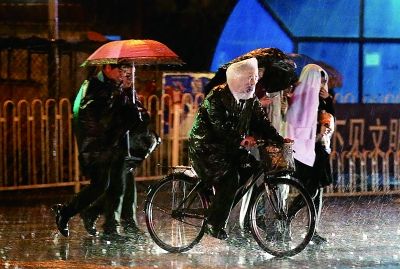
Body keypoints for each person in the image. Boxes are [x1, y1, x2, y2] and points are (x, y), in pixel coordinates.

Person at [188, 58, 289, 240]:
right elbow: (220, 126)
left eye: (255, 78)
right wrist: (242, 139)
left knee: (252, 168)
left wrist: (279, 140)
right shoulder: (216, 97)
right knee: (230, 178)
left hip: (230, 148)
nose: (253, 83)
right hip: (206, 148)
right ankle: (214, 222)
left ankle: (221, 208)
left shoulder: (250, 99)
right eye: (249, 78)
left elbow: (262, 123)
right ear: (237, 79)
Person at [52, 63, 141, 237]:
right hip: (98, 147)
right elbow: (99, 119)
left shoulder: (112, 87)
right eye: (119, 70)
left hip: (109, 147)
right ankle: (66, 212)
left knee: (114, 185)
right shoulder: (95, 88)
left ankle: (104, 223)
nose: (121, 74)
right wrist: (122, 105)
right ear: (107, 68)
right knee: (101, 185)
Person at [285, 64, 334, 244]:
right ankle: (287, 218)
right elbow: (295, 123)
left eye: (324, 81)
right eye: (319, 80)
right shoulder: (300, 96)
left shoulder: (322, 98)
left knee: (317, 191)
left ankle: (313, 230)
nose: (322, 85)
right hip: (304, 149)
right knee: (310, 190)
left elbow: (329, 116)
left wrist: (328, 100)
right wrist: (314, 133)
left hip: (319, 149)